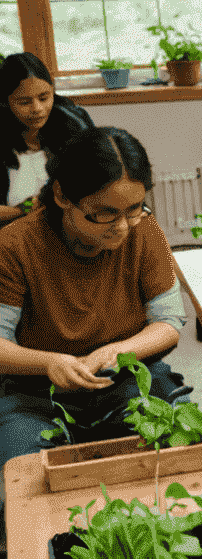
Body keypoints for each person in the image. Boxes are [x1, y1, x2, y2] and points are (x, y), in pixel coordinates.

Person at [0, 128, 189, 479]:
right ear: (62, 195)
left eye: (133, 209)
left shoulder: (145, 231)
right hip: (36, 394)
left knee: (177, 458)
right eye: (104, 213)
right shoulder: (14, 245)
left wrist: (120, 351)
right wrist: (50, 364)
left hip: (128, 378)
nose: (121, 228)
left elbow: (169, 322)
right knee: (23, 483)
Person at [0, 52, 93, 225]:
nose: (37, 108)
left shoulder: (74, 125)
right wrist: (22, 209)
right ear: (6, 102)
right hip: (13, 237)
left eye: (44, 97)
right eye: (24, 102)